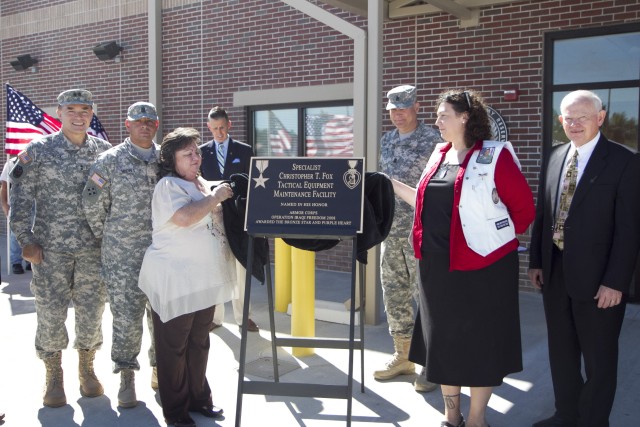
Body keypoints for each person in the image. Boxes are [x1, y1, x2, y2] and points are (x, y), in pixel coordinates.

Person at [392, 89, 535, 427]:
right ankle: (451, 415)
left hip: (485, 267)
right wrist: (391, 184)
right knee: (444, 342)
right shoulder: (439, 154)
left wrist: (490, 235)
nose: (437, 121)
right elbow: (426, 203)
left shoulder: (495, 155)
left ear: (465, 117)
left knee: (481, 344)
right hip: (437, 267)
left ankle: (475, 419)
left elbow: (524, 212)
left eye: (444, 115)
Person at [528, 90, 640, 427]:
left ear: (601, 118)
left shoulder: (625, 161)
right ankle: (566, 415)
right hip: (556, 272)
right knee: (561, 353)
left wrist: (615, 282)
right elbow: (543, 214)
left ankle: (593, 421)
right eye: (568, 118)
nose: (574, 124)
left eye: (583, 117)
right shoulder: (554, 156)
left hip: (600, 280)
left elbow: (630, 230)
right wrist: (536, 261)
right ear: (560, 120)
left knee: (599, 358)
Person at [9, 89, 112, 408]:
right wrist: (24, 240)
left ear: (91, 113)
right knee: (51, 313)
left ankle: (87, 367)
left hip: (93, 250)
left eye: (85, 109)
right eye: (71, 109)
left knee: (92, 311)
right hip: (49, 250)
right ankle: (53, 375)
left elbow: (114, 199)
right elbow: (20, 197)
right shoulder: (38, 150)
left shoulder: (105, 152)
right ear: (59, 111)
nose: (79, 115)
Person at [138, 127, 236, 427]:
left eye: (197, 152)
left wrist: (217, 196)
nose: (196, 158)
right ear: (171, 160)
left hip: (203, 280)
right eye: (188, 154)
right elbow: (183, 218)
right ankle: (176, 412)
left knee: (199, 342)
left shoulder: (202, 183)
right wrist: (217, 197)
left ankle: (199, 398)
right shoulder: (168, 186)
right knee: (173, 347)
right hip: (175, 281)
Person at [82, 102, 161, 408]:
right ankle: (126, 376)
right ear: (127, 126)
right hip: (122, 256)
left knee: (161, 315)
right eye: (138, 121)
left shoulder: (165, 160)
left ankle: (159, 368)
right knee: (126, 318)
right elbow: (91, 204)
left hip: (161, 254)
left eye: (150, 121)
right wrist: (112, 236)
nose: (145, 125)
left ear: (156, 126)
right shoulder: (108, 161)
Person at [375, 85, 441, 393]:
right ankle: (403, 356)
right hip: (391, 232)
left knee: (425, 297)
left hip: (420, 233)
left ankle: (432, 362)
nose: (398, 114)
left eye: (403, 108)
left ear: (416, 107)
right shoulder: (386, 140)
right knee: (395, 295)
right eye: (393, 109)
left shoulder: (434, 141)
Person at [199, 106, 258, 332]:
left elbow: (254, 183)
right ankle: (215, 317)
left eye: (222, 127)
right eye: (214, 129)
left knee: (241, 268)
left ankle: (244, 318)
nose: (219, 132)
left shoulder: (245, 151)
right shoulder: (202, 152)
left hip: (239, 218)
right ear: (209, 128)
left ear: (229, 125)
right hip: (213, 218)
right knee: (215, 267)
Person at [1, 157, 29, 274]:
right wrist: (4, 205)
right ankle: (16, 262)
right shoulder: (11, 163)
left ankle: (29, 260)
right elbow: (4, 186)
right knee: (15, 234)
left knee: (32, 233)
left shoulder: (37, 161)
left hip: (34, 203)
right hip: (16, 204)